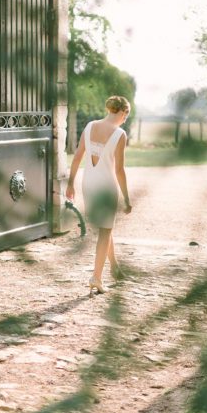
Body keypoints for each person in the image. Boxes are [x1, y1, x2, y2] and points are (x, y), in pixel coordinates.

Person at [66, 96, 132, 294]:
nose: (125, 120)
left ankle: (114, 266)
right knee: (105, 230)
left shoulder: (90, 126)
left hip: (88, 184)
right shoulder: (120, 134)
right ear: (122, 112)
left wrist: (71, 184)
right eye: (126, 116)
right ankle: (96, 277)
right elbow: (119, 170)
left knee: (105, 227)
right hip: (106, 185)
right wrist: (127, 198)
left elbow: (77, 157)